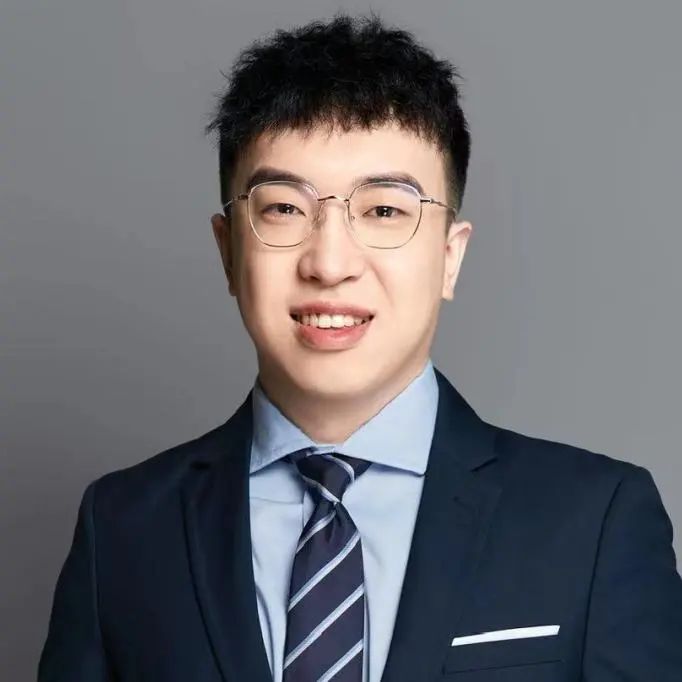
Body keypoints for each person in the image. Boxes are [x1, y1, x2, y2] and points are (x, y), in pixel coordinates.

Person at [37, 12, 682, 682]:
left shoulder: (595, 522)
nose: (330, 262)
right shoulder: (123, 529)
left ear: (451, 256)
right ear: (228, 251)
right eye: (284, 209)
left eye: (384, 211)